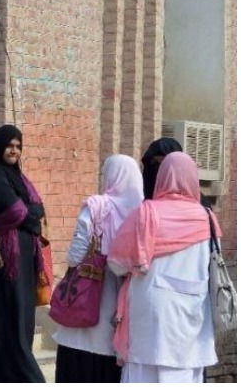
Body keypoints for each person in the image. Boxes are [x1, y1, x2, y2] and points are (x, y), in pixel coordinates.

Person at [108, 152, 219, 383]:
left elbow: (116, 264)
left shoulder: (146, 213)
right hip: (192, 313)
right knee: (186, 374)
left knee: (143, 373)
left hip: (148, 312)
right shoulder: (207, 218)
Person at [52, 154, 143, 383]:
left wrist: (75, 262)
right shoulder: (142, 213)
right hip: (122, 300)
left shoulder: (97, 206)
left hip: (86, 297)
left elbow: (75, 255)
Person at [0, 124, 46, 382]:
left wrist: (30, 214)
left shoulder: (18, 176)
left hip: (22, 260)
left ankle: (9, 370)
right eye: (9, 146)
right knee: (9, 313)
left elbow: (38, 207)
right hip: (5, 260)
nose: (14, 151)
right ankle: (23, 373)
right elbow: (18, 212)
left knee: (20, 314)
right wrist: (30, 215)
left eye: (18, 146)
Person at [142, 137, 212, 208]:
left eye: (165, 165)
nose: (160, 170)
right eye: (154, 164)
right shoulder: (140, 201)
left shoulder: (201, 206)